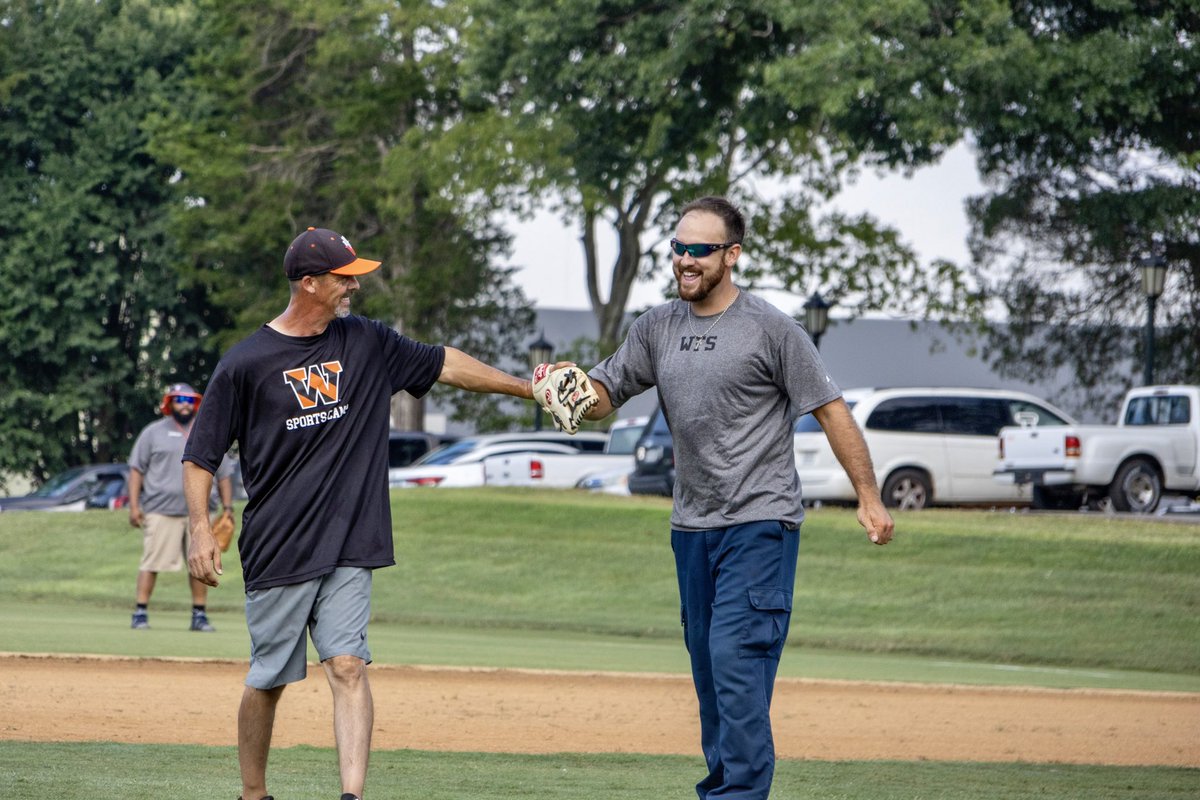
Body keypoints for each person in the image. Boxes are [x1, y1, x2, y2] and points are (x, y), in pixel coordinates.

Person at [183, 226, 540, 800]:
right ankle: (253, 793)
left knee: (348, 666)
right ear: (309, 283)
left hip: (352, 538)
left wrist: (528, 389)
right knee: (269, 679)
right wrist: (200, 529)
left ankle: (352, 795)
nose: (354, 286)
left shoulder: (367, 341)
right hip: (280, 544)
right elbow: (200, 455)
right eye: (343, 277)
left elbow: (446, 364)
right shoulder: (246, 362)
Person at [579, 196, 895, 800]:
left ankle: (740, 795)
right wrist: (563, 391)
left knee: (735, 659)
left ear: (732, 255)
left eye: (700, 250)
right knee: (708, 671)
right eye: (678, 248)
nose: (685, 260)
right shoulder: (656, 327)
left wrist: (869, 497)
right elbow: (604, 393)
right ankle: (724, 789)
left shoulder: (772, 329)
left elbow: (831, 411)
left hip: (759, 523)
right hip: (691, 527)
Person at [128, 382, 234, 632]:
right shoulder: (153, 432)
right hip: (161, 510)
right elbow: (136, 470)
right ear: (169, 403)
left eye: (189, 400)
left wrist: (228, 508)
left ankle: (199, 615)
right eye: (179, 400)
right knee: (151, 562)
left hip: (201, 513)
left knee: (200, 564)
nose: (184, 405)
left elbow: (224, 474)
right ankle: (140, 612)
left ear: (196, 403)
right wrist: (134, 506)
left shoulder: (206, 431)